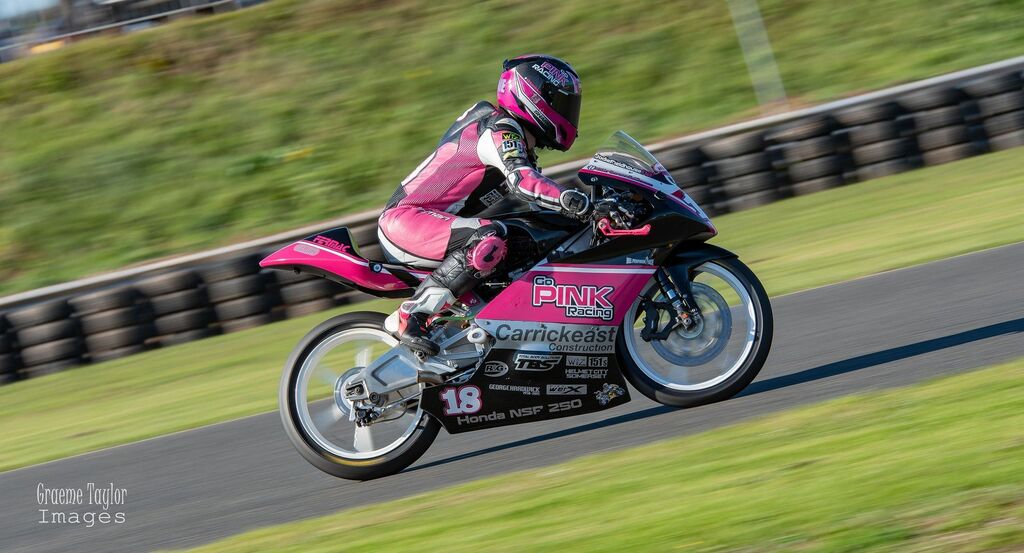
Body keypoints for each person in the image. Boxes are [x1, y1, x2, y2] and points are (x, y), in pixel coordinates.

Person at [378, 55, 590, 356]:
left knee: (525, 239)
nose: (569, 112)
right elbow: (524, 182)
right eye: (563, 103)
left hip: (428, 222)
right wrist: (572, 199)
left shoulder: (514, 138)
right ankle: (412, 315)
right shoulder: (499, 129)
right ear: (534, 95)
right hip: (406, 221)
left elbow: (535, 195)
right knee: (490, 238)